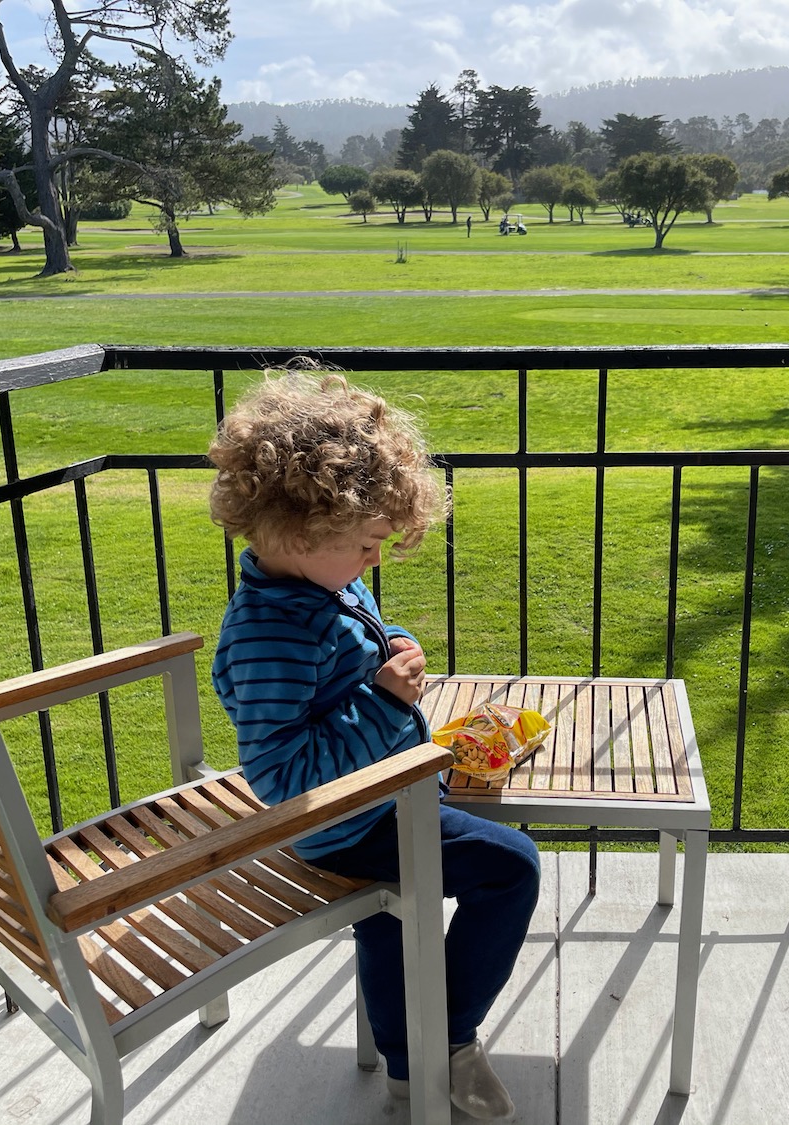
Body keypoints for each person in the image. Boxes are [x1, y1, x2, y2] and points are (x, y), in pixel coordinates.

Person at [207, 370, 539, 1121]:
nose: (372, 564)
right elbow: (280, 772)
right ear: (302, 529)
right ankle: (449, 1039)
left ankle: (404, 1064)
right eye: (364, 546)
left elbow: (347, 651)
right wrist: (384, 698)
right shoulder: (272, 632)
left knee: (388, 922)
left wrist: (391, 646)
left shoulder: (313, 586)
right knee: (512, 867)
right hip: (348, 823)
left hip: (380, 797)